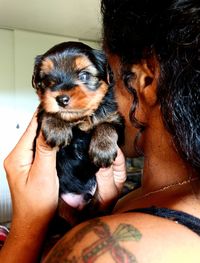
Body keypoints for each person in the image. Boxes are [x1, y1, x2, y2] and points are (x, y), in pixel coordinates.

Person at [1, 0, 200, 262]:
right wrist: (100, 209)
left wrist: (27, 227)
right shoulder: (144, 195)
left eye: (113, 75)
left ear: (146, 79)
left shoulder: (106, 249)